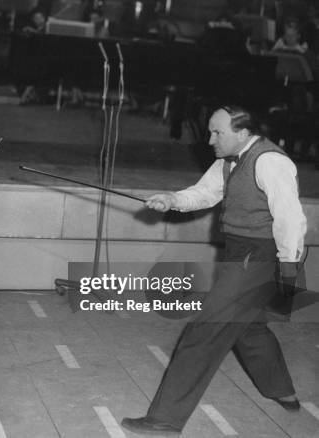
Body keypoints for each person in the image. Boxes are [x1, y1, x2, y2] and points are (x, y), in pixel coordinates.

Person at [121, 106, 307, 436]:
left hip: (258, 257)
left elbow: (290, 220)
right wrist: (172, 199)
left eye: (217, 133)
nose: (210, 139)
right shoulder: (228, 159)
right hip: (239, 252)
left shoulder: (270, 161)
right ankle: (283, 391)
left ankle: (164, 420)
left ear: (244, 133)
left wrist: (288, 269)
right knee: (248, 328)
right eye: (210, 131)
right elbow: (206, 192)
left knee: (204, 332)